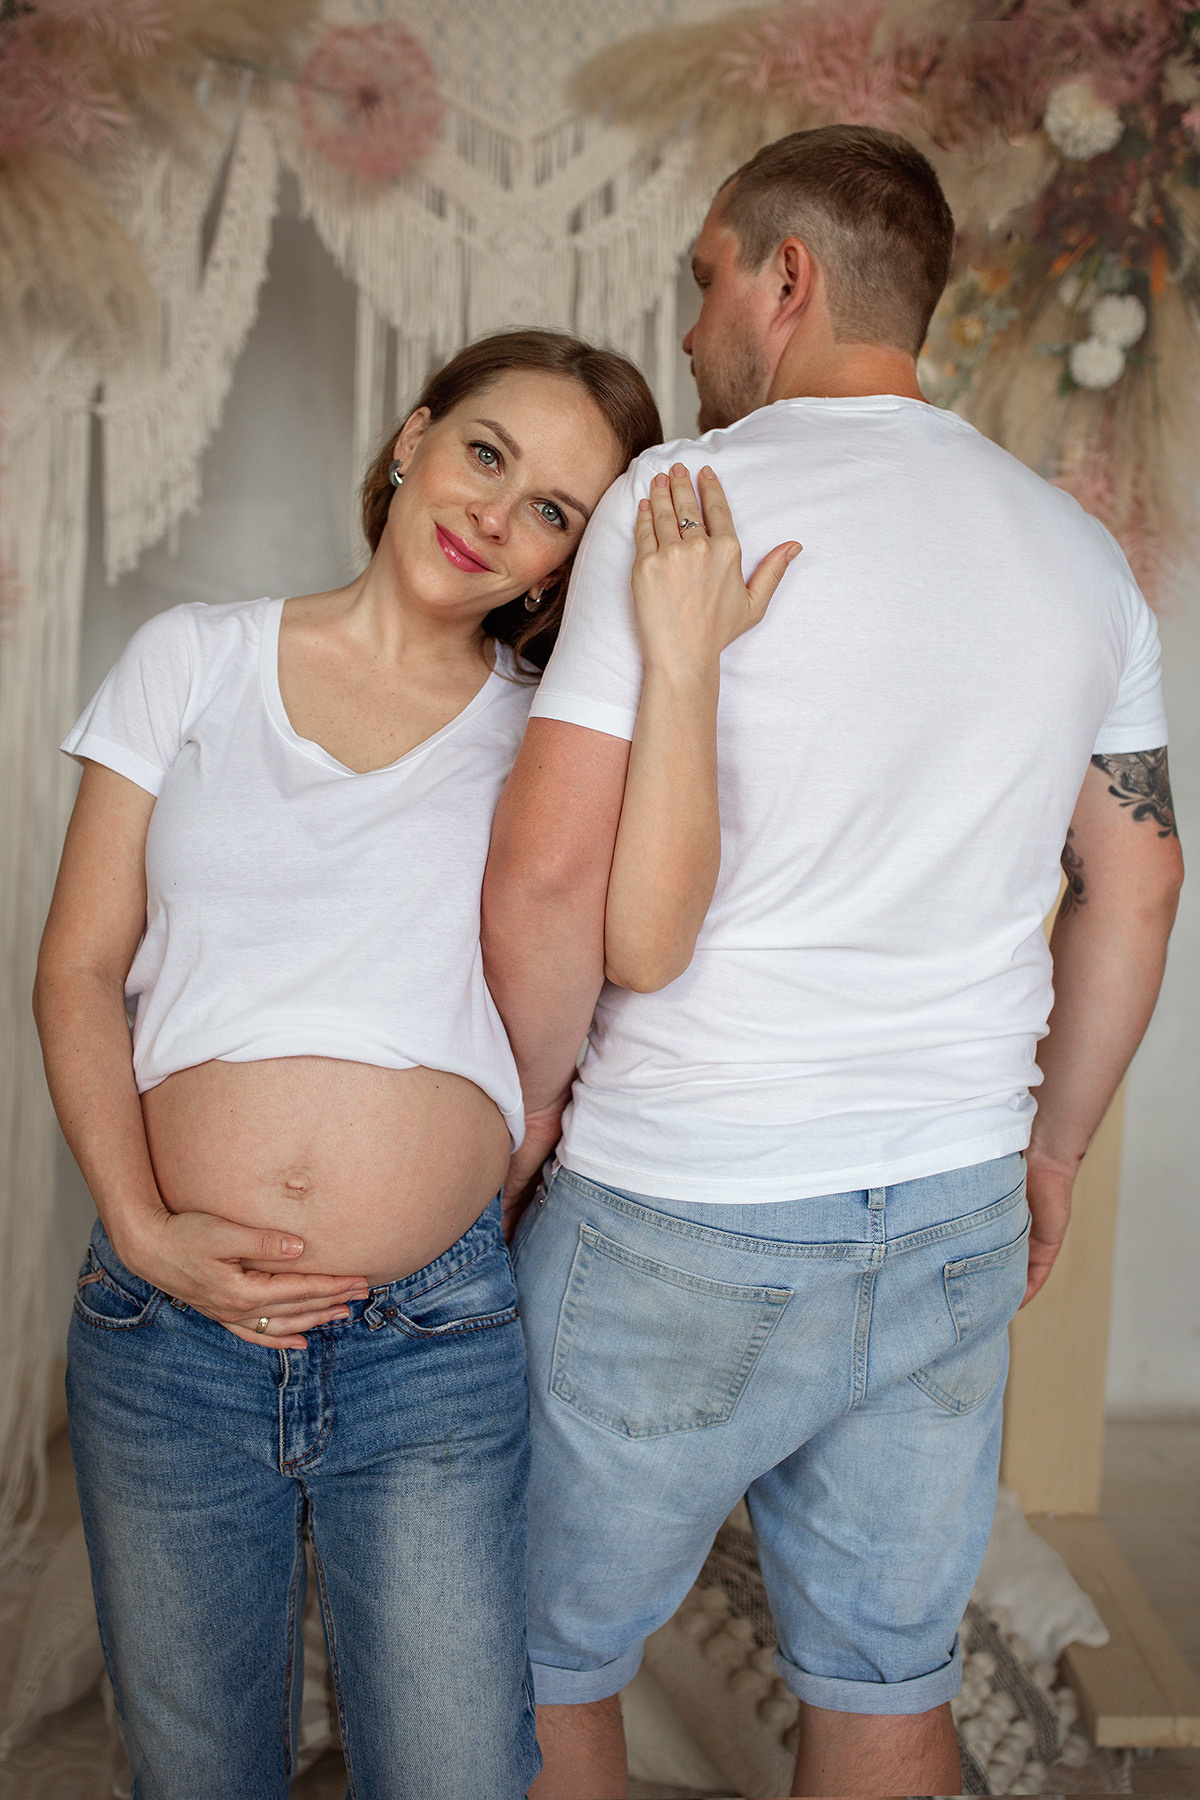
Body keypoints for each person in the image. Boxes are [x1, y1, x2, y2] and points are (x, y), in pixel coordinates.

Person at [482, 126, 1184, 1799]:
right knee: (885, 1687)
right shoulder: (1080, 556)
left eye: (703, 284)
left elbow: (547, 875)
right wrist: (1056, 1152)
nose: (695, 332)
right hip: (949, 1205)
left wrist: (511, 1130)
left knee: (523, 1659)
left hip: (680, 1199)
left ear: (783, 277)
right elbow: (1139, 885)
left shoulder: (682, 502)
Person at [33, 329, 667, 1800]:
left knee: (453, 1772)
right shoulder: (192, 657)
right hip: (168, 1337)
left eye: (556, 511)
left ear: (565, 568)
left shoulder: (548, 745)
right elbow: (75, 969)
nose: (496, 514)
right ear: (413, 434)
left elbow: (615, 968)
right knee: (198, 1778)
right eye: (488, 455)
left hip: (430, 1348)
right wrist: (140, 1227)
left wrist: (486, 1164)